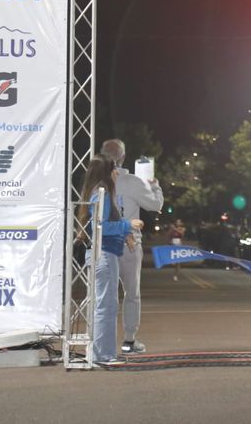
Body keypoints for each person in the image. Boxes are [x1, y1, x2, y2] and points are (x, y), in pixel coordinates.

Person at [99, 139, 164, 355]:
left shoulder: (96, 180)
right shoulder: (132, 181)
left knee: (102, 294)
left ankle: (99, 340)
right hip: (129, 243)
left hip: (103, 242)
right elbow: (155, 205)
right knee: (131, 293)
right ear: (124, 157)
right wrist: (154, 185)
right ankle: (129, 339)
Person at [77, 156, 144, 363]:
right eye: (115, 169)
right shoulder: (102, 194)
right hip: (103, 255)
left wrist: (125, 233)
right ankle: (102, 354)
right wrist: (128, 225)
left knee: (108, 305)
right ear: (107, 171)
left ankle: (105, 353)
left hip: (106, 254)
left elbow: (104, 224)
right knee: (105, 306)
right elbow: (101, 227)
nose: (117, 173)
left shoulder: (101, 193)